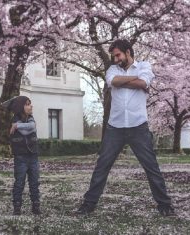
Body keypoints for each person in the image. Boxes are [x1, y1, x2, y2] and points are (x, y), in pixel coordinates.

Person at [76, 39, 175, 216]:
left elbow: (143, 83)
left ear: (128, 52)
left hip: (138, 126)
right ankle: (88, 204)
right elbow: (114, 81)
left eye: (118, 55)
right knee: (102, 166)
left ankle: (165, 205)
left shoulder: (144, 66)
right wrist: (134, 80)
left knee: (151, 166)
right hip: (115, 127)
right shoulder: (113, 69)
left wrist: (128, 82)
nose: (115, 59)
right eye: (114, 56)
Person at [2, 96, 41, 216]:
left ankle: (36, 206)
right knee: (19, 182)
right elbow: (26, 131)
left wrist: (18, 126)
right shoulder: (15, 119)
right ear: (21, 107)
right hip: (21, 157)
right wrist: (18, 125)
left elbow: (32, 127)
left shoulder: (30, 118)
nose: (31, 106)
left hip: (33, 156)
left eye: (30, 103)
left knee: (34, 182)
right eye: (28, 104)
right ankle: (17, 207)